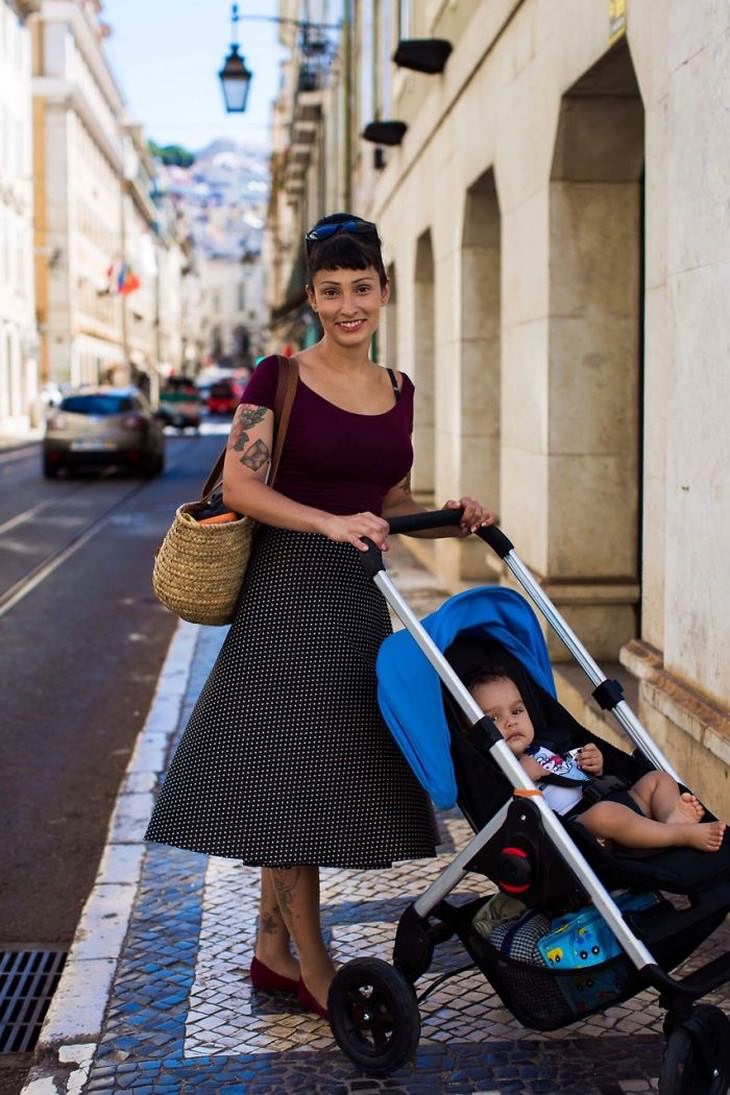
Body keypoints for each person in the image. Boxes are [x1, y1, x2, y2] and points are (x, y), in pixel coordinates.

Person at [145, 212, 495, 1019]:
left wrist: (450, 515)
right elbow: (239, 486)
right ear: (312, 297)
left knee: (305, 772)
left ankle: (272, 951)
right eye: (331, 291)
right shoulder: (279, 377)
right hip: (288, 594)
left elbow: (388, 500)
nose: (348, 305)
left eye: (361, 288)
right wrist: (327, 522)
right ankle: (313, 962)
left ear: (383, 293)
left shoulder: (399, 389)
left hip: (356, 600)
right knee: (292, 780)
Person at [469, 669, 726, 853]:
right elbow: (509, 825)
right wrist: (522, 781)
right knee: (607, 815)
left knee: (659, 779)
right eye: (493, 719)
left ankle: (671, 817)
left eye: (517, 711)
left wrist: (594, 762)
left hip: (613, 799)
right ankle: (681, 835)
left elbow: (578, 772)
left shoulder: (550, 742)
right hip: (580, 830)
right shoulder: (498, 774)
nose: (510, 721)